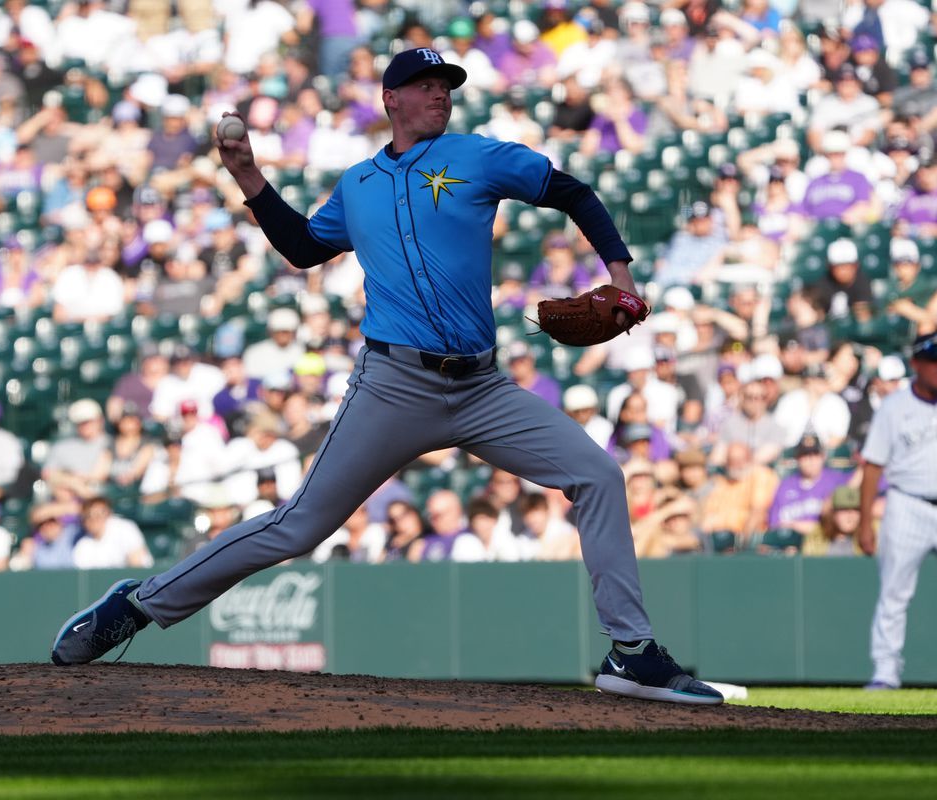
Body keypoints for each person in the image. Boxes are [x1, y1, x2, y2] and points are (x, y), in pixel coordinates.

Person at [50, 48, 721, 705]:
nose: (439, 94)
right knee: (299, 526)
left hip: (482, 389)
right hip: (394, 387)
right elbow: (306, 248)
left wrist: (620, 275)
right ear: (390, 99)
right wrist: (250, 180)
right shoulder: (358, 183)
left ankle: (631, 653)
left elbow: (571, 191)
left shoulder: (477, 156)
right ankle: (137, 605)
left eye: (445, 85)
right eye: (424, 84)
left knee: (597, 475)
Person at [858, 331, 937, 690]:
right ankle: (885, 673)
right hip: (907, 504)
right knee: (894, 592)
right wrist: (865, 522)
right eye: (934, 359)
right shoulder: (895, 406)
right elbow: (872, 466)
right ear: (916, 363)